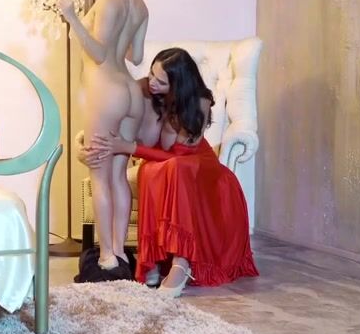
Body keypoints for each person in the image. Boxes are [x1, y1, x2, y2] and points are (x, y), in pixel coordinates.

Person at [87, 48, 259, 296]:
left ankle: (182, 261)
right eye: (152, 74)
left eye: (161, 81)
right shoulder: (146, 90)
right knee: (149, 171)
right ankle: (154, 259)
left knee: (175, 168)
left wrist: (129, 147)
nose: (152, 83)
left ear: (178, 83)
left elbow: (180, 156)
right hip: (166, 162)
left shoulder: (200, 101)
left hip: (197, 165)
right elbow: (112, 109)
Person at [56, 0, 149, 273]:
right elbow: (135, 56)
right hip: (130, 92)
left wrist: (72, 17)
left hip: (106, 92)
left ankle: (107, 255)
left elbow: (97, 53)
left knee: (99, 174)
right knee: (118, 175)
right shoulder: (138, 3)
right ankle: (120, 252)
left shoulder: (109, 1)